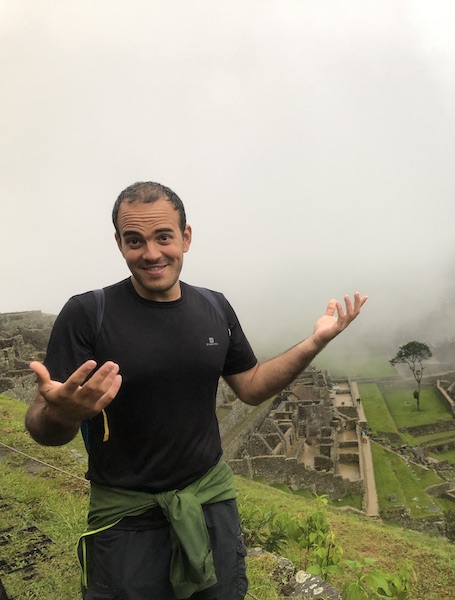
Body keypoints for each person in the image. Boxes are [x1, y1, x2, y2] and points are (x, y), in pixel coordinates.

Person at [24, 181, 367, 600]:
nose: (151, 253)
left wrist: (314, 343)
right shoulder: (87, 314)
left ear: (186, 236)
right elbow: (45, 429)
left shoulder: (214, 307)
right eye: (135, 241)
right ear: (119, 243)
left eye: (163, 236)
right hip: (127, 516)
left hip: (210, 503)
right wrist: (65, 413)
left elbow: (252, 387)